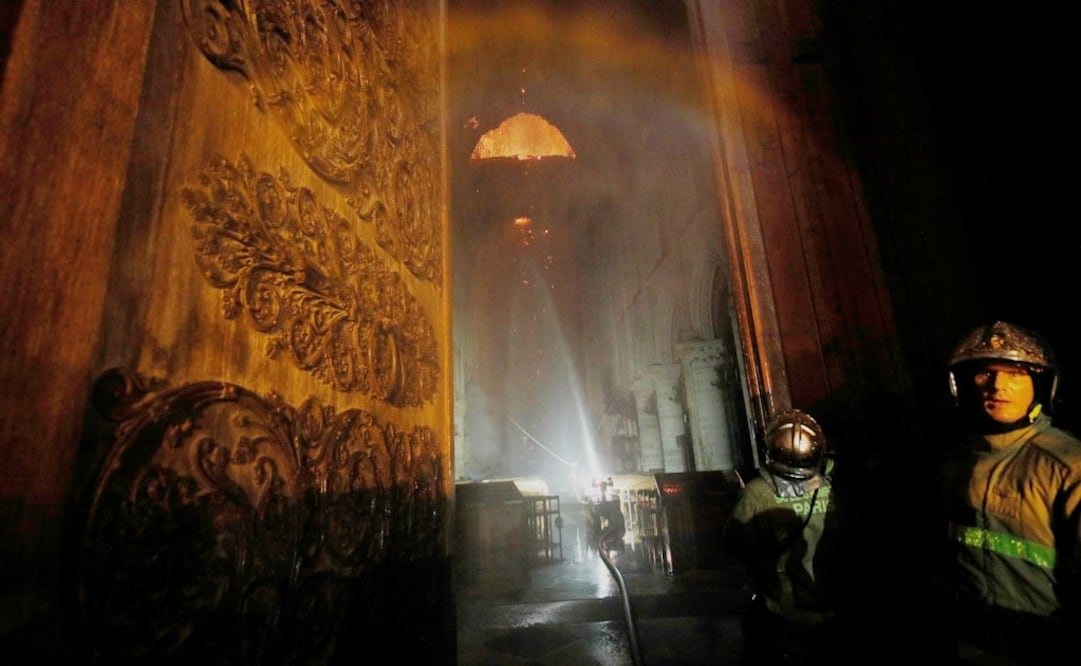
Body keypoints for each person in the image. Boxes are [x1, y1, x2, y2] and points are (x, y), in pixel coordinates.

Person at [938, 320, 1081, 664]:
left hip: (1042, 645)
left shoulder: (1067, 465)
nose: (998, 385)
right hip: (970, 640)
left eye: (1015, 373)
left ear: (1040, 385)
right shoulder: (955, 460)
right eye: (986, 373)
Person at [723, 409, 840, 664]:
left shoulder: (757, 492)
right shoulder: (831, 490)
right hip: (831, 610)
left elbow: (735, 542)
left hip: (780, 611)